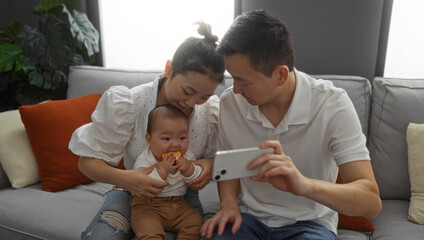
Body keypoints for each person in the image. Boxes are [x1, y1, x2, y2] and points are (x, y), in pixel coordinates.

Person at [200, 10, 382, 240]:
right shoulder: (231, 102)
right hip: (248, 220)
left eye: (243, 81)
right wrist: (228, 204)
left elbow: (371, 203)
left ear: (281, 76)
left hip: (310, 224)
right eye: (232, 78)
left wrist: (303, 185)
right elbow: (229, 165)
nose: (235, 89)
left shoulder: (331, 105)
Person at [69, 21, 225, 240]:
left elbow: (227, 159)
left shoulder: (210, 113)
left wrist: (209, 163)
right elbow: (85, 163)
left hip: (181, 198)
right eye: (187, 91)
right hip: (129, 191)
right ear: (169, 69)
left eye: (204, 96)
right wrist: (128, 179)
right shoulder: (129, 103)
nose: (192, 103)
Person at [131, 104, 203, 239]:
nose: (175, 144)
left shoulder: (187, 156)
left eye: (182, 138)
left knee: (196, 223)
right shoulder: (145, 159)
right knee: (149, 232)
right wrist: (162, 170)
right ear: (149, 140)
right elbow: (143, 186)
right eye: (166, 139)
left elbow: (196, 179)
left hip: (179, 205)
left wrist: (189, 169)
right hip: (148, 206)